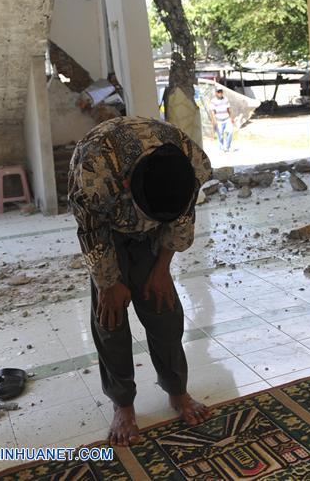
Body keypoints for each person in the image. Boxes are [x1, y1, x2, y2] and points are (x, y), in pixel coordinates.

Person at [67, 116, 213, 446]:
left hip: (156, 231)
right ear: (128, 185)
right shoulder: (93, 174)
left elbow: (183, 217)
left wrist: (162, 268)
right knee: (111, 317)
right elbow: (91, 230)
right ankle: (123, 405)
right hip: (107, 228)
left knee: (165, 310)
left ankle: (177, 391)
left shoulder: (192, 164)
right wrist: (109, 284)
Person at [209, 86, 234, 152]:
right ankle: (221, 148)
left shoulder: (226, 99)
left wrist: (231, 118)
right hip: (218, 120)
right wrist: (214, 120)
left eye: (221, 91)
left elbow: (228, 109)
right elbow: (212, 112)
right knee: (220, 135)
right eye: (218, 92)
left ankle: (227, 147)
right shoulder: (213, 101)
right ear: (216, 93)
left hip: (226, 119)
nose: (220, 93)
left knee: (230, 132)